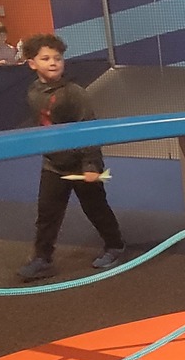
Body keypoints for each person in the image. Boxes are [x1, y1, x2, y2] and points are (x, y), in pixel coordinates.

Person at [16, 33, 126, 282]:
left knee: (96, 208)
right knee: (47, 214)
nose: (53, 62)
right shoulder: (33, 92)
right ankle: (43, 259)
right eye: (45, 58)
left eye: (58, 58)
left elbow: (89, 128)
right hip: (53, 165)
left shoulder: (74, 93)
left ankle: (115, 246)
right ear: (32, 63)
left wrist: (91, 165)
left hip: (81, 165)